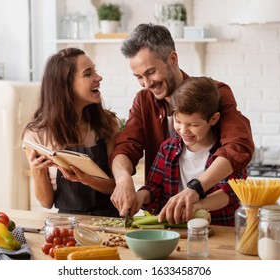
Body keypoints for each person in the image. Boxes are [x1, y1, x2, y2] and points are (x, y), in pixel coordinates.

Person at [110, 23, 254, 224]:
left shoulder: (215, 93)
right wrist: (123, 178)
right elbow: (126, 147)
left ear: (173, 59)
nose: (146, 83)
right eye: (139, 77)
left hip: (216, 222)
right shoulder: (144, 101)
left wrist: (195, 190)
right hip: (168, 224)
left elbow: (238, 146)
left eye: (151, 72)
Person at [21, 47, 120, 216]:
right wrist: (37, 171)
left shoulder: (106, 124)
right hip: (67, 224)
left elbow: (116, 186)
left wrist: (86, 179)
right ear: (65, 85)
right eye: (88, 74)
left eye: (94, 71)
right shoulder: (36, 135)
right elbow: (46, 202)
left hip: (109, 220)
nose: (98, 77)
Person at [134, 77, 246, 226]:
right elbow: (155, 188)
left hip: (219, 230)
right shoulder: (167, 149)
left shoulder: (226, 154)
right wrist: (141, 196)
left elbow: (229, 193)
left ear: (213, 119)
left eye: (193, 124)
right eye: (178, 121)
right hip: (176, 232)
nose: (184, 130)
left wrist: (197, 206)